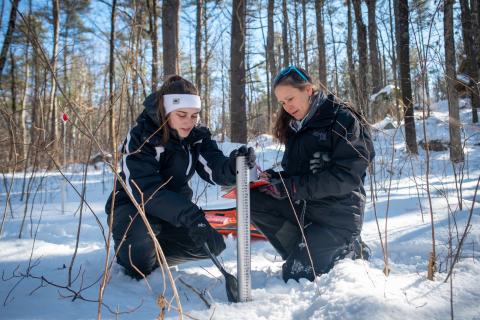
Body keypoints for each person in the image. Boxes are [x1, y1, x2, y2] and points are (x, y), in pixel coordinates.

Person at [105, 75, 255, 279]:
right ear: (165, 111)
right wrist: (191, 216)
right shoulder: (141, 137)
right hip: (133, 209)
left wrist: (233, 166)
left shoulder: (196, 136)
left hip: (173, 212)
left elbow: (214, 167)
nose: (189, 122)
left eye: (194, 115)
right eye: (182, 114)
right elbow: (144, 192)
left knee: (212, 246)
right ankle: (133, 253)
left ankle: (152, 251)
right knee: (138, 257)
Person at [252, 66, 375, 282]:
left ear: (308, 90)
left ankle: (349, 247)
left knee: (296, 275)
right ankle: (303, 247)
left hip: (337, 218)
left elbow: (346, 177)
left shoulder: (342, 118)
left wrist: (291, 187)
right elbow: (296, 173)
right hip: (306, 211)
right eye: (282, 102)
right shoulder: (297, 125)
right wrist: (273, 179)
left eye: (290, 98)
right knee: (253, 198)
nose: (287, 107)